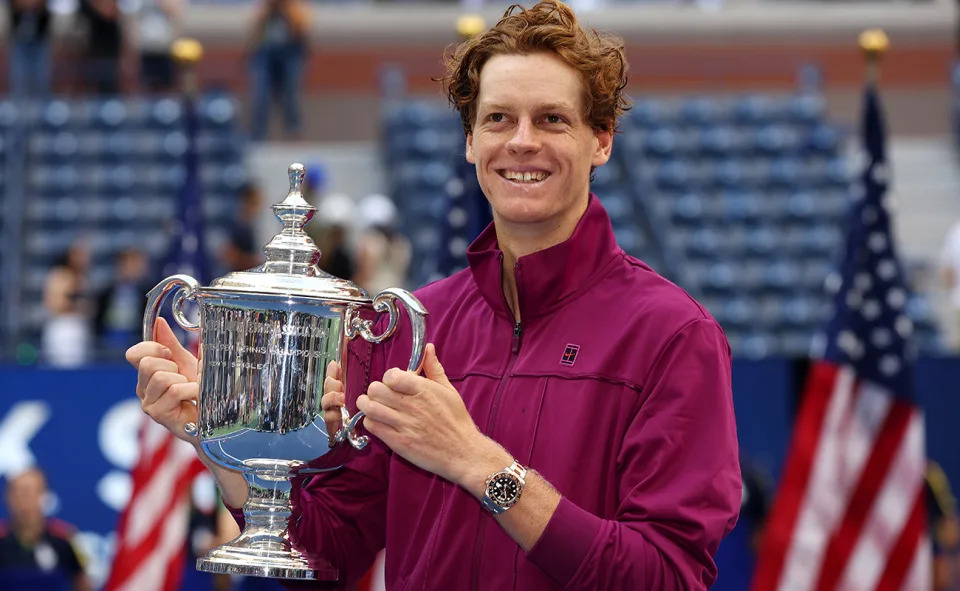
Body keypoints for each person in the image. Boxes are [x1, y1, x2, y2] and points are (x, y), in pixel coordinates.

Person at [126, 2, 741, 589]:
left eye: (552, 119)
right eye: (498, 118)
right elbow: (330, 553)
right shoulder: (408, 325)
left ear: (601, 140)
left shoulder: (672, 335)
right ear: (471, 142)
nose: (522, 141)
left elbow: (665, 576)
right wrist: (225, 443)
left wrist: (483, 466)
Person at [0, 468, 91, 591]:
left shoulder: (64, 537)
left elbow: (82, 583)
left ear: (44, 496)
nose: (22, 500)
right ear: (8, 497)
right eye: (16, 492)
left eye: (28, 492)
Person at [247, 0, 309, 141]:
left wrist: (285, 9)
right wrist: (269, 10)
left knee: (291, 91)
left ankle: (293, 128)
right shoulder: (264, 8)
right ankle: (258, 133)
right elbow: (253, 30)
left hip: (290, 53)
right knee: (261, 94)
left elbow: (301, 28)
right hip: (266, 54)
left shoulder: (295, 7)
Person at [42, 241, 93, 367]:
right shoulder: (59, 276)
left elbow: (89, 307)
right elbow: (54, 304)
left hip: (78, 325)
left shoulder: (83, 278)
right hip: (62, 327)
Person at [93, 248, 152, 358]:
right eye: (127, 264)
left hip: (135, 339)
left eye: (135, 265)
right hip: (107, 341)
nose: (131, 269)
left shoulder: (147, 294)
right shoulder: (106, 292)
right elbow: (98, 319)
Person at [353, 193, 411, 295]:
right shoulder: (402, 244)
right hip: (396, 297)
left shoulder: (369, 243)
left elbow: (363, 276)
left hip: (372, 298)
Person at [6, 0, 53, 99]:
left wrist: (31, 4)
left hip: (40, 40)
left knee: (41, 81)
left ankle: (42, 110)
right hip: (19, 41)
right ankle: (19, 109)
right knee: (20, 81)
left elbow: (43, 4)